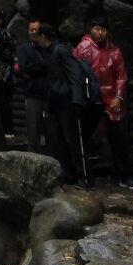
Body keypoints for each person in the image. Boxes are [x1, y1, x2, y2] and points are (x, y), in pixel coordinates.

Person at [75, 15, 133, 189]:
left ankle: (125, 175)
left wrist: (119, 97)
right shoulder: (82, 48)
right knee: (83, 137)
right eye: (97, 29)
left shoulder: (115, 51)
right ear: (91, 29)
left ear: (108, 32)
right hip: (90, 99)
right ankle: (85, 177)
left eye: (103, 30)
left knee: (120, 139)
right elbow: (75, 73)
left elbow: (121, 76)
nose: (100, 33)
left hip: (111, 99)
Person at [34, 23, 89, 188]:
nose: (37, 41)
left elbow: (75, 74)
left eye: (38, 37)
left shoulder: (61, 51)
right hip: (57, 102)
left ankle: (84, 177)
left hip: (68, 102)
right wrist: (48, 107)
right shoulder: (49, 53)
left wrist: (77, 100)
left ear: (44, 37)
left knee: (72, 140)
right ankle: (68, 174)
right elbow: (53, 81)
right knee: (58, 140)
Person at [15, 19, 49, 152]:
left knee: (50, 131)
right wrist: (43, 67)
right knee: (33, 131)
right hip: (33, 93)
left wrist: (35, 68)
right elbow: (24, 67)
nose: (34, 32)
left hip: (49, 94)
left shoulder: (47, 48)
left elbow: (52, 65)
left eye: (36, 30)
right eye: (31, 30)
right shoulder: (24, 48)